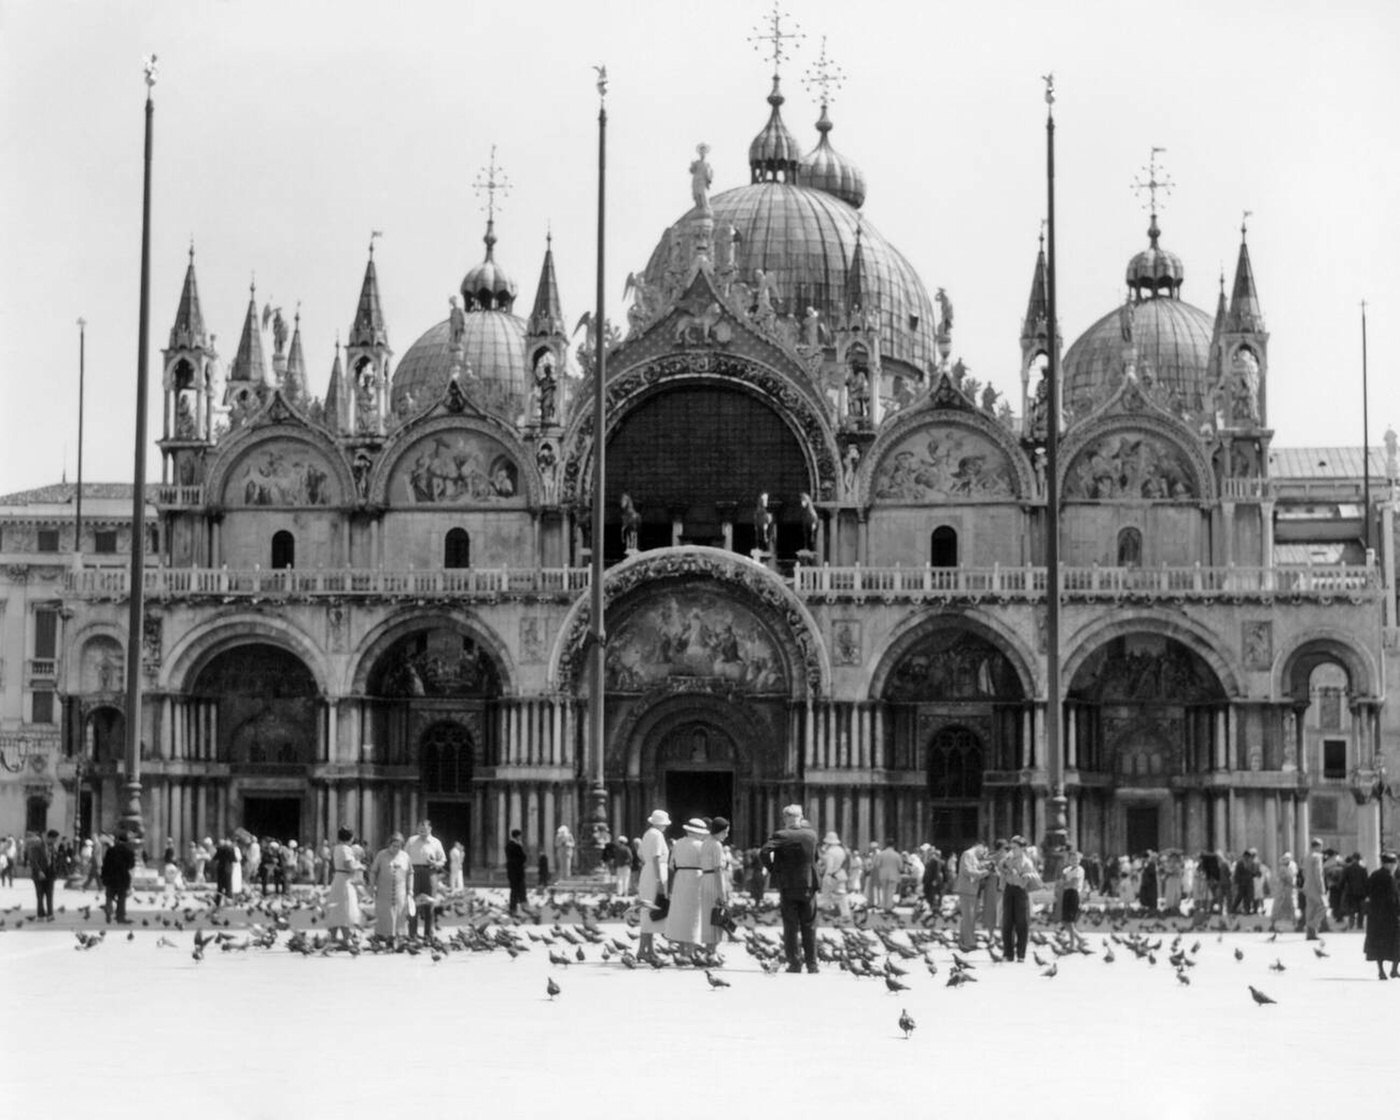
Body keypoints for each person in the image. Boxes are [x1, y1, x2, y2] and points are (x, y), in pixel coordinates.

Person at [760, 804, 820, 973]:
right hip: (808, 885)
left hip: (788, 885)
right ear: (800, 817)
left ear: (785, 818)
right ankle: (812, 965)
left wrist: (774, 869)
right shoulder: (811, 835)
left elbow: (764, 852)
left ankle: (794, 963)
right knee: (809, 925)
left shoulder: (781, 835)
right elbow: (816, 857)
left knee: (790, 925)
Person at [665, 819, 709, 963]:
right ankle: (690, 952)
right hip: (696, 878)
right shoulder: (702, 846)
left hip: (680, 879)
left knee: (680, 916)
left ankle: (682, 951)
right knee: (693, 916)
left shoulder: (677, 844)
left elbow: (671, 865)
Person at [637, 810, 671, 963]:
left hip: (647, 871)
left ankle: (647, 949)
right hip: (655, 873)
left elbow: (641, 854)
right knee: (652, 910)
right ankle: (644, 950)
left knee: (647, 912)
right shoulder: (657, 835)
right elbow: (656, 857)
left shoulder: (647, 834)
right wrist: (658, 879)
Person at [1000, 836, 1041, 962]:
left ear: (1022, 848)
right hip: (1008, 890)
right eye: (1010, 848)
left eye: (1015, 848)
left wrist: (1019, 874)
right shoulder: (1008, 859)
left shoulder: (1027, 862)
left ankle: (1021, 954)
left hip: (1020, 891)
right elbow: (1000, 868)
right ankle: (1008, 953)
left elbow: (1028, 880)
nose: (1012, 850)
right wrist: (1004, 867)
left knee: (1021, 923)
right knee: (1007, 922)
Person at [405, 819, 446, 941]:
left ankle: (428, 934)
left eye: (425, 829)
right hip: (414, 872)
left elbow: (443, 860)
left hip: (430, 872)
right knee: (413, 904)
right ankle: (412, 934)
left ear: (430, 829)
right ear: (417, 829)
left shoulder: (436, 842)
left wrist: (436, 863)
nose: (422, 832)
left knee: (430, 903)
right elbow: (404, 856)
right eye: (420, 829)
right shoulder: (411, 841)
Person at [697, 818, 732, 959]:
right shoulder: (716, 845)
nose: (726, 835)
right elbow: (718, 869)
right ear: (718, 831)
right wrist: (722, 892)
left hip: (705, 879)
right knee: (717, 915)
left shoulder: (705, 842)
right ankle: (712, 951)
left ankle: (709, 949)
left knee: (708, 916)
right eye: (725, 832)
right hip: (714, 880)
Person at [368, 832, 412, 941]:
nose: (396, 848)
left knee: (400, 914)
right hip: (384, 891)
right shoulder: (381, 855)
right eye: (394, 846)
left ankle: (399, 936)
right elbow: (373, 871)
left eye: (399, 846)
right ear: (389, 844)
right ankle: (382, 936)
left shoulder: (405, 856)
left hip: (399, 892)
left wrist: (410, 889)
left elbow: (410, 873)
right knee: (384, 913)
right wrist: (372, 885)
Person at [1363, 852, 1400, 980]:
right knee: (1396, 943)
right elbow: (1393, 898)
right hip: (1390, 916)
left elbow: (1366, 891)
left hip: (1375, 916)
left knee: (1378, 944)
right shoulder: (1389, 878)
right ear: (1389, 864)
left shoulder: (1374, 875)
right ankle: (1394, 970)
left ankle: (1381, 971)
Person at [325, 826, 363, 946]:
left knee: (336, 909)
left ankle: (332, 937)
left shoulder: (337, 848)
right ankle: (347, 938)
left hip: (338, 878)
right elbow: (349, 865)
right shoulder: (346, 849)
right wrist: (359, 866)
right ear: (350, 838)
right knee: (345, 909)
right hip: (345, 881)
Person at [955, 843, 987, 951]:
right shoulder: (968, 854)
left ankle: (963, 941)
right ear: (980, 847)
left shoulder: (972, 856)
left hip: (971, 890)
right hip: (967, 889)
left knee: (969, 917)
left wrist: (984, 866)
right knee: (968, 917)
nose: (982, 855)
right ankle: (969, 942)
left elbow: (975, 867)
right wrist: (984, 873)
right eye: (983, 852)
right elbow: (967, 871)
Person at [100, 832, 135, 924]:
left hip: (110, 877)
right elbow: (131, 865)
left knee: (109, 896)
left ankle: (108, 912)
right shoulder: (128, 852)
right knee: (121, 898)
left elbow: (105, 864)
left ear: (117, 840)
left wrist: (103, 877)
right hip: (122, 878)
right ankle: (120, 917)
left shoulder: (111, 850)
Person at [819, 831, 852, 920]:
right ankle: (846, 914)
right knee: (841, 895)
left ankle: (827, 913)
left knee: (826, 895)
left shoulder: (829, 852)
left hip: (831, 875)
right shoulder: (841, 850)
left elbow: (829, 865)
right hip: (841, 874)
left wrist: (827, 875)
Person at [27, 829, 58, 921]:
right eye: (55, 839)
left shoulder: (53, 847)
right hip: (39, 874)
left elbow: (54, 861)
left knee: (50, 895)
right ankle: (40, 915)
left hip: (50, 874)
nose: (56, 841)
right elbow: (33, 860)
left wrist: (55, 872)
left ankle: (50, 915)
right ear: (50, 838)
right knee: (40, 895)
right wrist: (39, 871)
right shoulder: (37, 846)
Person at [1059, 849, 1086, 948]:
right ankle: (1079, 938)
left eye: (1076, 859)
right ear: (1069, 860)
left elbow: (1073, 884)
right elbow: (1062, 883)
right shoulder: (1066, 870)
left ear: (1079, 860)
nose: (1074, 861)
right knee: (1064, 920)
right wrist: (1066, 883)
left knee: (1070, 921)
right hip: (1066, 894)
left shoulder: (1080, 870)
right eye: (1072, 859)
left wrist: (1066, 883)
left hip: (1074, 894)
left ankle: (1072, 944)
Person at [1303, 837, 1328, 940]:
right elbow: (1318, 873)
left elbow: (1304, 872)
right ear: (1317, 846)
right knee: (1324, 906)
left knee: (1311, 909)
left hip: (1307, 886)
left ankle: (1311, 933)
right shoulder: (1317, 857)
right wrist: (1321, 887)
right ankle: (1312, 925)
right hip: (1315, 886)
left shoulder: (1307, 856)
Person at [872, 838, 903, 913]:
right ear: (894, 845)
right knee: (891, 892)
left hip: (883, 875)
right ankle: (888, 907)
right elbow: (900, 867)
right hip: (893, 875)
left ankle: (884, 905)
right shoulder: (897, 855)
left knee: (884, 891)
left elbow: (877, 865)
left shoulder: (881, 854)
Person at [1341, 853, 1369, 930]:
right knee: (1361, 910)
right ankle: (1360, 925)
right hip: (1361, 892)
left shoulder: (1347, 869)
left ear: (1353, 858)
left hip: (1351, 892)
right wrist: (1367, 892)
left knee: (1351, 910)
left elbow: (1343, 880)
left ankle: (1351, 924)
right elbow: (1366, 881)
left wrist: (1341, 889)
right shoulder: (1363, 869)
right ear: (1359, 859)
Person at [505, 828, 528, 916]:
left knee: (514, 890)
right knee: (521, 890)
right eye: (520, 836)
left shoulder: (508, 845)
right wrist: (521, 847)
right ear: (518, 836)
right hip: (518, 872)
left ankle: (513, 908)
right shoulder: (517, 846)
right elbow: (523, 858)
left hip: (511, 872)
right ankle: (522, 908)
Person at [1273, 852, 1298, 925]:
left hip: (1290, 890)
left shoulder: (1292, 866)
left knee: (1292, 906)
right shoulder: (1282, 868)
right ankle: (1274, 922)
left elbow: (1293, 876)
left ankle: (1293, 920)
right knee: (1279, 906)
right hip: (1283, 889)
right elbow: (1283, 878)